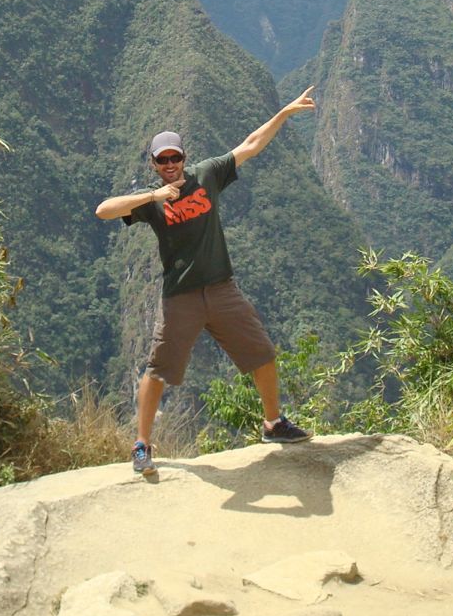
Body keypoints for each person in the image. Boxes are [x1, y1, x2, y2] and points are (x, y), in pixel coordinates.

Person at [95, 88, 317, 474]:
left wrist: (283, 112)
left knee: (263, 354)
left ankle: (273, 423)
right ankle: (142, 445)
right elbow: (104, 210)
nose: (170, 164)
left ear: (184, 157)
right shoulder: (150, 201)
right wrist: (153, 196)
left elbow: (250, 145)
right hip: (180, 297)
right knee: (158, 370)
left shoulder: (207, 175)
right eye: (162, 160)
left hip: (221, 288)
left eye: (175, 157)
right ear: (153, 164)